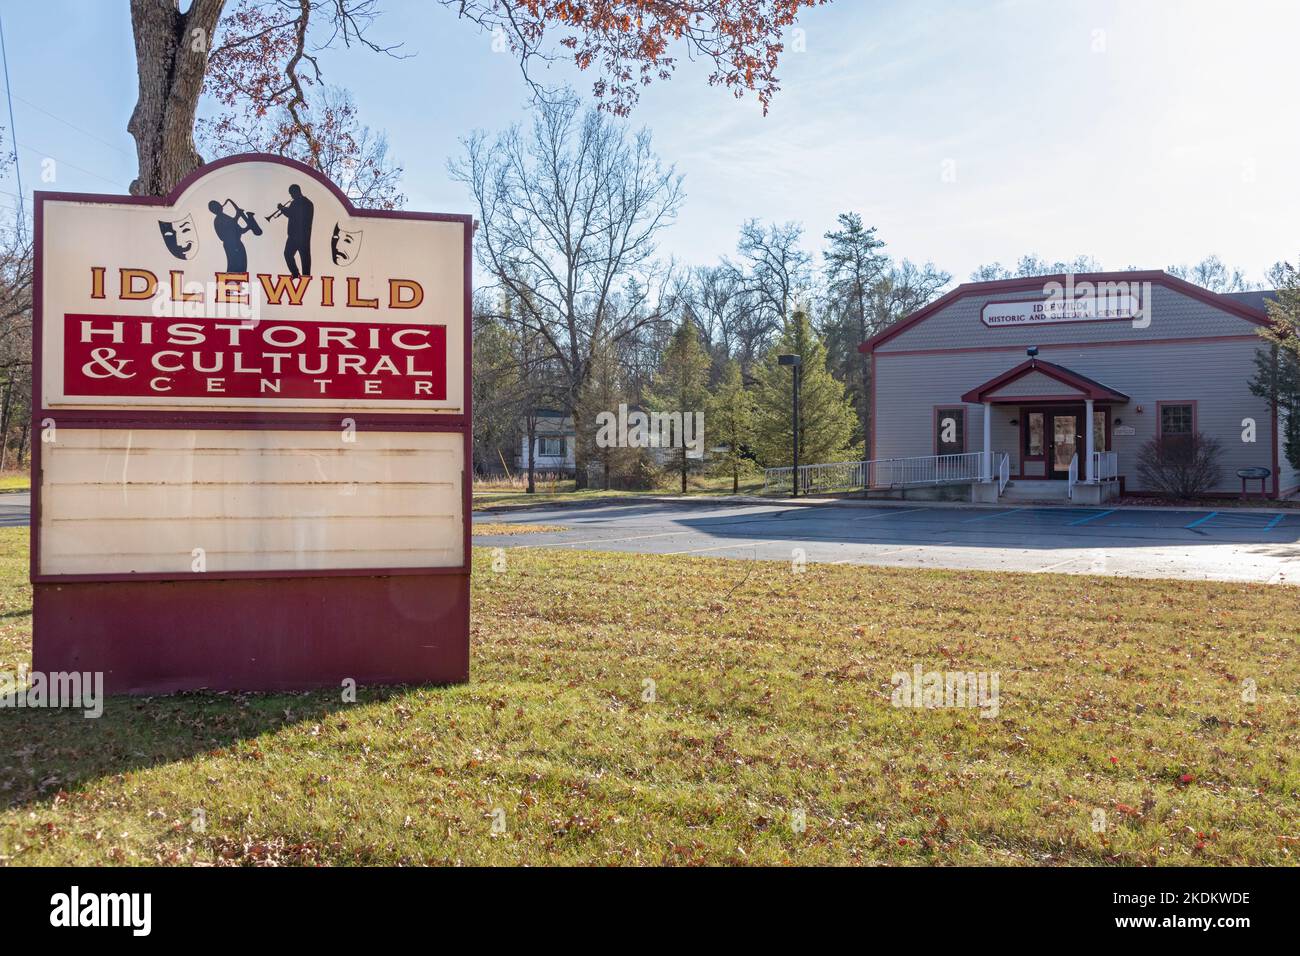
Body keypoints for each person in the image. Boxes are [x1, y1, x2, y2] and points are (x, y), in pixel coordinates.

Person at [275, 184, 315, 278]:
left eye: (292, 193)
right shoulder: (306, 203)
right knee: (301, 256)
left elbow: (292, 214)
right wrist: (284, 209)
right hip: (300, 235)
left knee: (295, 255)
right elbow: (293, 213)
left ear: (296, 191)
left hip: (297, 236)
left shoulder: (301, 203)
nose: (291, 196)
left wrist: (282, 209)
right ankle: (301, 275)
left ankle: (300, 275)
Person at [208, 200, 255, 273]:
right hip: (231, 245)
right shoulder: (218, 220)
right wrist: (237, 215)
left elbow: (240, 230)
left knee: (242, 266)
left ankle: (238, 282)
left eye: (218, 204)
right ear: (213, 210)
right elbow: (225, 233)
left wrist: (249, 226)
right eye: (216, 206)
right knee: (234, 267)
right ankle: (232, 283)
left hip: (237, 244)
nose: (219, 206)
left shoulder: (225, 217)